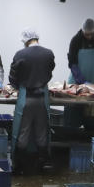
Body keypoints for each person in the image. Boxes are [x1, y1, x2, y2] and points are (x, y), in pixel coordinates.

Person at [9, 28, 56, 174]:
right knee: (42, 131)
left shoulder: (20, 54)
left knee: (23, 132)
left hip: (26, 99)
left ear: (25, 41)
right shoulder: (49, 54)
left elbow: (13, 77)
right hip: (42, 99)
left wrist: (17, 86)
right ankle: (44, 164)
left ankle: (20, 166)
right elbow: (50, 72)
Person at [67, 18, 94, 85]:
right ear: (83, 30)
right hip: (77, 81)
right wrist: (82, 81)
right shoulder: (75, 40)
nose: (89, 37)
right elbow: (73, 64)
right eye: (86, 34)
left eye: (91, 34)